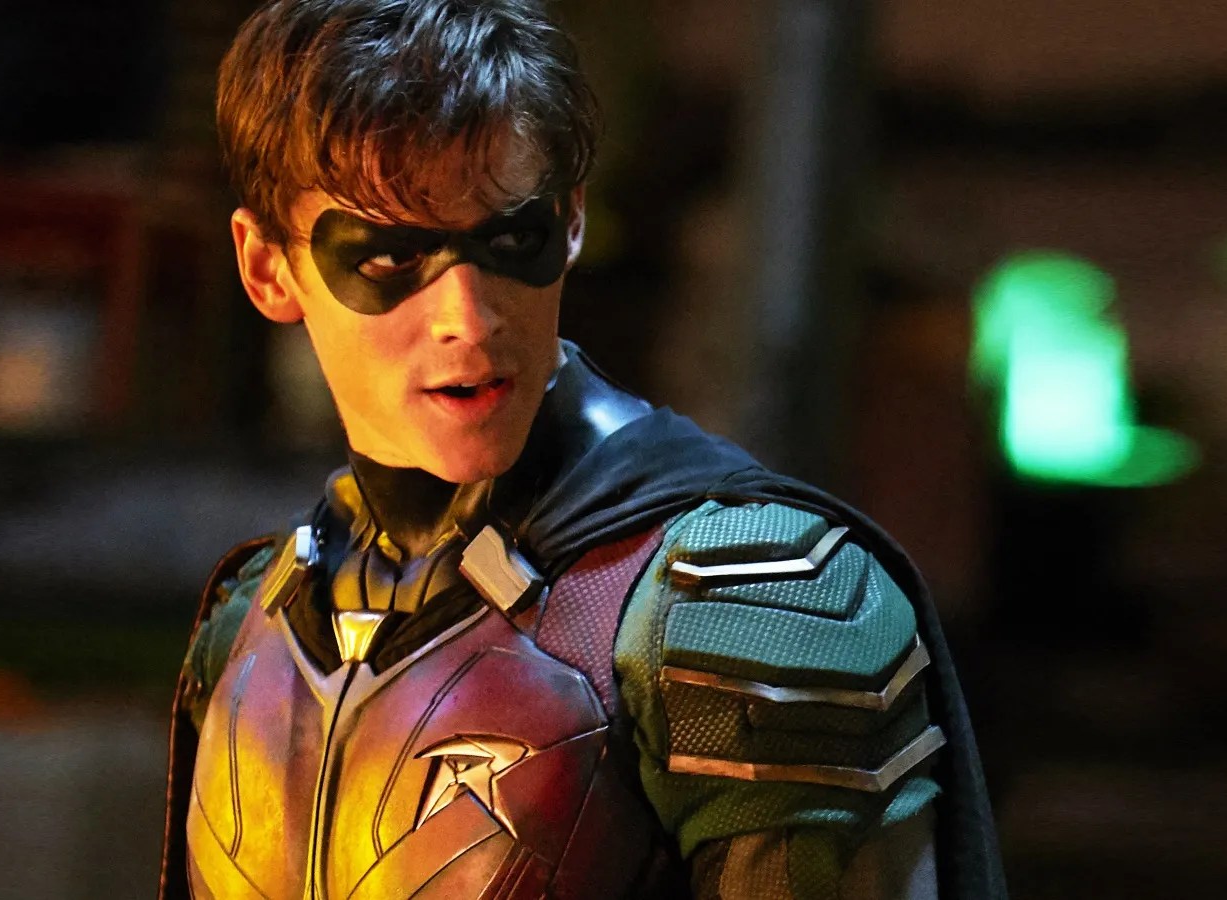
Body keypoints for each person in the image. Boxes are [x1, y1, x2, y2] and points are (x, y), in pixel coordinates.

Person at [160, 1, 1006, 897]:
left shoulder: (747, 599)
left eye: (509, 240)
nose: (468, 320)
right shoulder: (257, 617)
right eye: (391, 258)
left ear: (570, 223)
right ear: (267, 267)